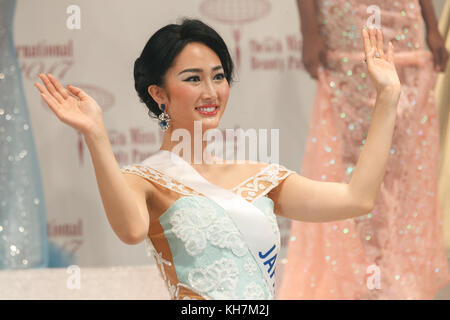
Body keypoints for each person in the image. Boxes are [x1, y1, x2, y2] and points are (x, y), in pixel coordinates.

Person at [34, 18, 401, 300]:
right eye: (193, 79)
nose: (210, 92)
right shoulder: (143, 179)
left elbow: (358, 198)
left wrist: (386, 97)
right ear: (159, 93)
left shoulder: (259, 175)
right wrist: (96, 135)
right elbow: (131, 231)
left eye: (219, 76)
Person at [279, 0, 450, 299]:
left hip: (402, 18)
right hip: (347, 17)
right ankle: (353, 280)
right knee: (351, 157)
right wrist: (309, 29)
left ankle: (394, 277)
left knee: (403, 157)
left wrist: (432, 27)